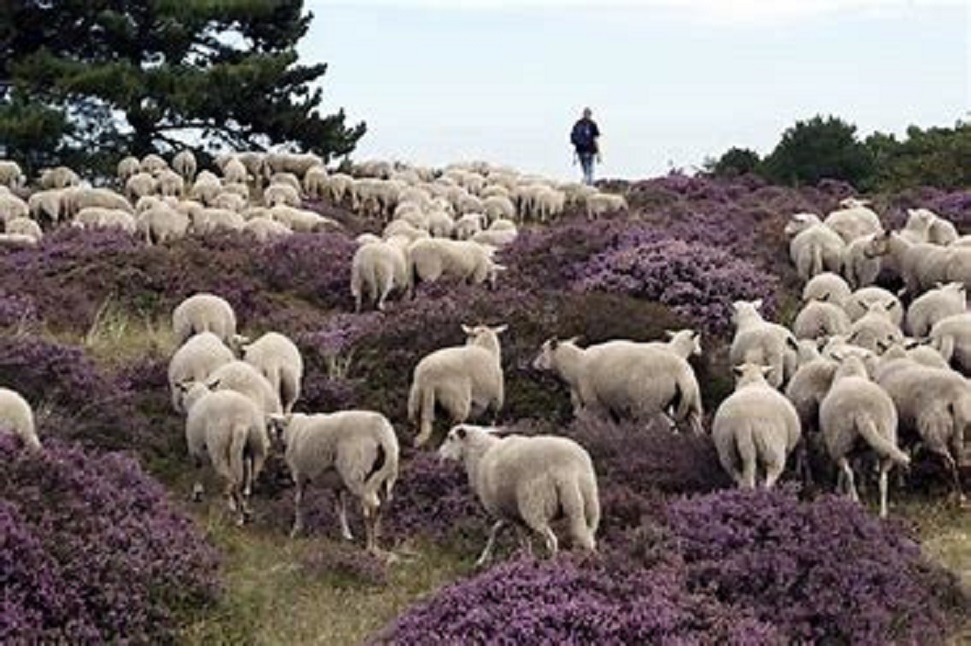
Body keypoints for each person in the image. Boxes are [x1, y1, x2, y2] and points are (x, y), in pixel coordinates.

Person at [570, 107, 601, 185]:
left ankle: (585, 181)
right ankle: (589, 184)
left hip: (580, 150)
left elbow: (573, 137)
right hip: (590, 150)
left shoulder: (578, 123)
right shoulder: (592, 124)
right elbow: (595, 139)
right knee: (590, 168)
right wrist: (599, 153)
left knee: (584, 168)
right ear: (590, 114)